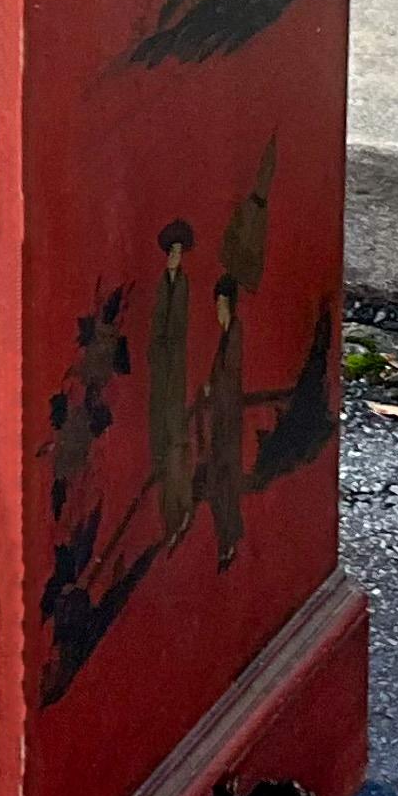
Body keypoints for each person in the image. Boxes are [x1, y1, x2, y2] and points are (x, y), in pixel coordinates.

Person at [148, 218, 195, 541]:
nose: (175, 257)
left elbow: (178, 328)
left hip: (176, 369)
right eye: (172, 252)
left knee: (177, 441)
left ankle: (179, 513)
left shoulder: (183, 285)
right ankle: (170, 519)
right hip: (161, 368)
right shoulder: (163, 284)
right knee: (162, 442)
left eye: (179, 251)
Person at [199, 274, 246, 569]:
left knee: (224, 480)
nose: (217, 311)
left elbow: (231, 377)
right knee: (220, 480)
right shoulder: (225, 335)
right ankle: (227, 540)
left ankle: (228, 541)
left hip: (228, 419)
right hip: (221, 418)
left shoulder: (234, 333)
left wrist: (213, 388)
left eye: (220, 304)